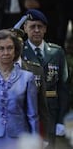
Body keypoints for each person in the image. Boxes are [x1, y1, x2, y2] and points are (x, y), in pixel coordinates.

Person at [0, 28, 51, 144]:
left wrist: (35, 140)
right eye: (1, 48)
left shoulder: (27, 78)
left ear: (15, 50)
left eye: (10, 48)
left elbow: (32, 114)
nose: (6, 52)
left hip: (19, 137)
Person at [21, 9, 70, 149]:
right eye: (32, 26)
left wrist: (61, 120)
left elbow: (63, 88)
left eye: (40, 27)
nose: (36, 30)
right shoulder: (18, 51)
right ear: (25, 28)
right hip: (27, 111)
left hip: (50, 112)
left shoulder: (57, 52)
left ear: (45, 29)